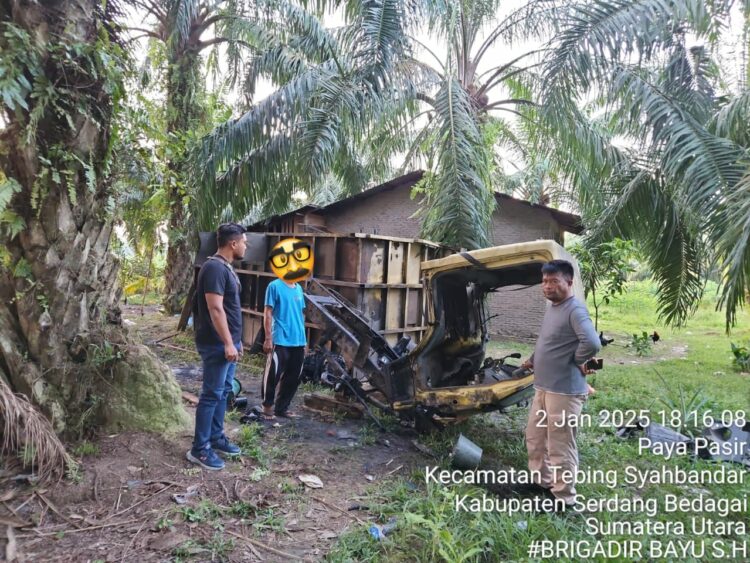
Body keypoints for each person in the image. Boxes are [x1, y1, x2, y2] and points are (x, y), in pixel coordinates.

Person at [522, 259, 601, 508]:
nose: (547, 286)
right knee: (535, 438)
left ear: (569, 281)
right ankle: (542, 482)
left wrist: (577, 359)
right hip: (544, 387)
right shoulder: (553, 308)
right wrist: (533, 359)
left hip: (564, 392)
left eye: (554, 281)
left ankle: (563, 498)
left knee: (560, 445)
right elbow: (549, 340)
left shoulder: (574, 309)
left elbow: (592, 343)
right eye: (544, 281)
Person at [187, 223, 246, 470]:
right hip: (216, 344)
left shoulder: (226, 268)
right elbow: (214, 308)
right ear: (233, 243)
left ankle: (215, 437)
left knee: (223, 392)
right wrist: (227, 342)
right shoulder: (213, 268)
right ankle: (199, 449)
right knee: (211, 394)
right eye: (244, 241)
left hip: (228, 343)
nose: (246, 246)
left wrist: (237, 341)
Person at [260, 243, 309, 420]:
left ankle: (282, 408)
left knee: (293, 376)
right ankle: (267, 407)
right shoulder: (274, 286)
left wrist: (305, 341)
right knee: (273, 373)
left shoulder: (298, 288)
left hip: (298, 340)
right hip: (280, 338)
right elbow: (267, 312)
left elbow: (301, 315)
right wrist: (267, 338)